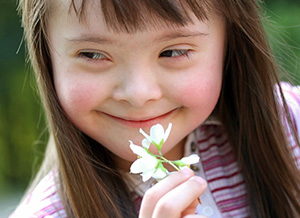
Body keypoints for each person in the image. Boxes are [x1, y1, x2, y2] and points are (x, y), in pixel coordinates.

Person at [10, 0, 300, 217]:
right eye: (93, 54)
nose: (139, 94)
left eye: (173, 51)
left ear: (230, 42)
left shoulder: (291, 125)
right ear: (47, 56)